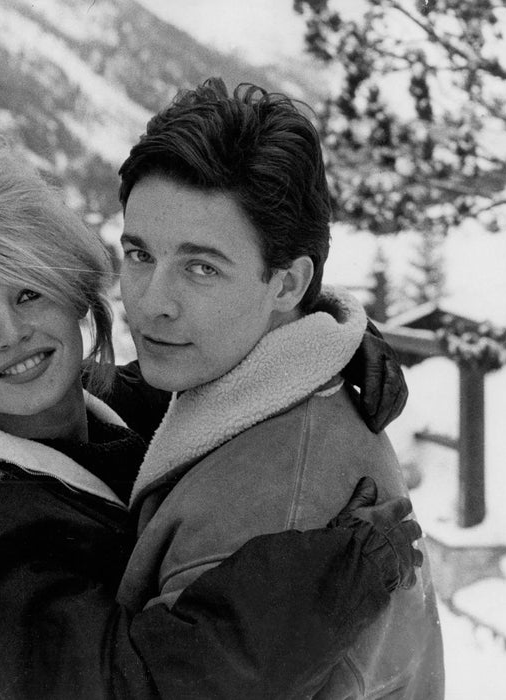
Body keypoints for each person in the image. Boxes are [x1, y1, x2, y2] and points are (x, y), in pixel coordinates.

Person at [0, 130, 421, 699]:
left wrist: (325, 348)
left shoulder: (120, 409)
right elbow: (128, 688)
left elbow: (236, 351)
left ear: (75, 295)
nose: (12, 334)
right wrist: (328, 582)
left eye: (28, 293)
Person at [112, 78, 445, 698]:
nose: (151, 303)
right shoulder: (276, 376)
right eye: (138, 255)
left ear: (289, 285)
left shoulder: (266, 518)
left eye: (201, 267)